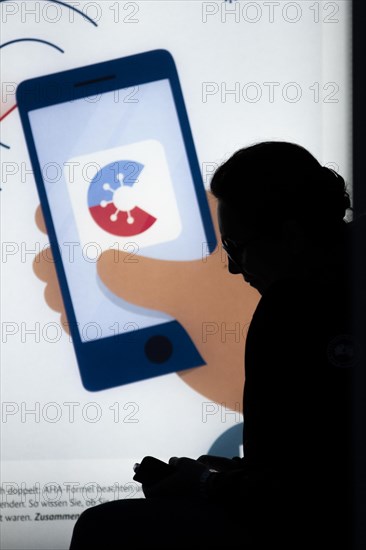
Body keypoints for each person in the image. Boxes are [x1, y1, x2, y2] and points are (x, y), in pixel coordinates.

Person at [69, 141, 355, 549]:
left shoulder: (291, 308)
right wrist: (230, 476)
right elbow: (307, 463)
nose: (235, 269)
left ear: (291, 235)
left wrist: (205, 484)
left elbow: (301, 496)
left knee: (102, 528)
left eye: (236, 249)